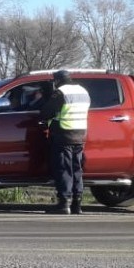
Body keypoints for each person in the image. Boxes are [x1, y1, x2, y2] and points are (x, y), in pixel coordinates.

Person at [38, 69, 91, 215]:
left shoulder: (61, 92)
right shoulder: (83, 91)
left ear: (57, 81)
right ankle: (77, 204)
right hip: (80, 135)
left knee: (64, 169)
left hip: (64, 135)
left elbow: (46, 112)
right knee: (77, 169)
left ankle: (64, 203)